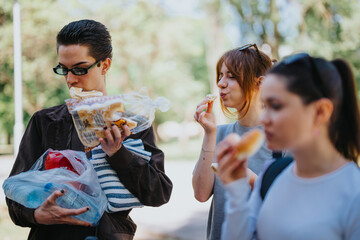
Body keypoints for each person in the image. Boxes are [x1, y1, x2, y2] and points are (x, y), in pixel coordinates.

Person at [6, 19, 173, 240]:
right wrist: (36, 214)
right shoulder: (44, 122)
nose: (70, 79)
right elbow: (14, 194)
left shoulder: (132, 123)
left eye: (80, 69)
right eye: (63, 69)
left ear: (105, 65)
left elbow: (158, 193)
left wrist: (118, 153)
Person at [216, 53, 360, 240]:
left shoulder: (354, 192)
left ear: (320, 112)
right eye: (264, 105)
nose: (263, 119)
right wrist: (236, 191)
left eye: (275, 106)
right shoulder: (271, 174)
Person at [192, 44, 274, 240]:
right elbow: (201, 194)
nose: (221, 83)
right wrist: (210, 133)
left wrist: (252, 180)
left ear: (259, 84)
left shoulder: (281, 140)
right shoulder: (219, 134)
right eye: (220, 75)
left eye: (231, 76)